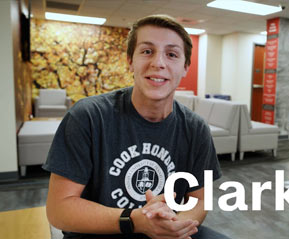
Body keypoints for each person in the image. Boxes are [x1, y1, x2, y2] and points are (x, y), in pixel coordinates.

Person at [43, 15, 229, 239]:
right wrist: (134, 220)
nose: (158, 63)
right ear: (130, 60)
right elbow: (59, 210)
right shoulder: (88, 117)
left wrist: (173, 225)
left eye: (171, 54)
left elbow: (199, 199)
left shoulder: (196, 128)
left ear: (185, 67)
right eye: (147, 51)